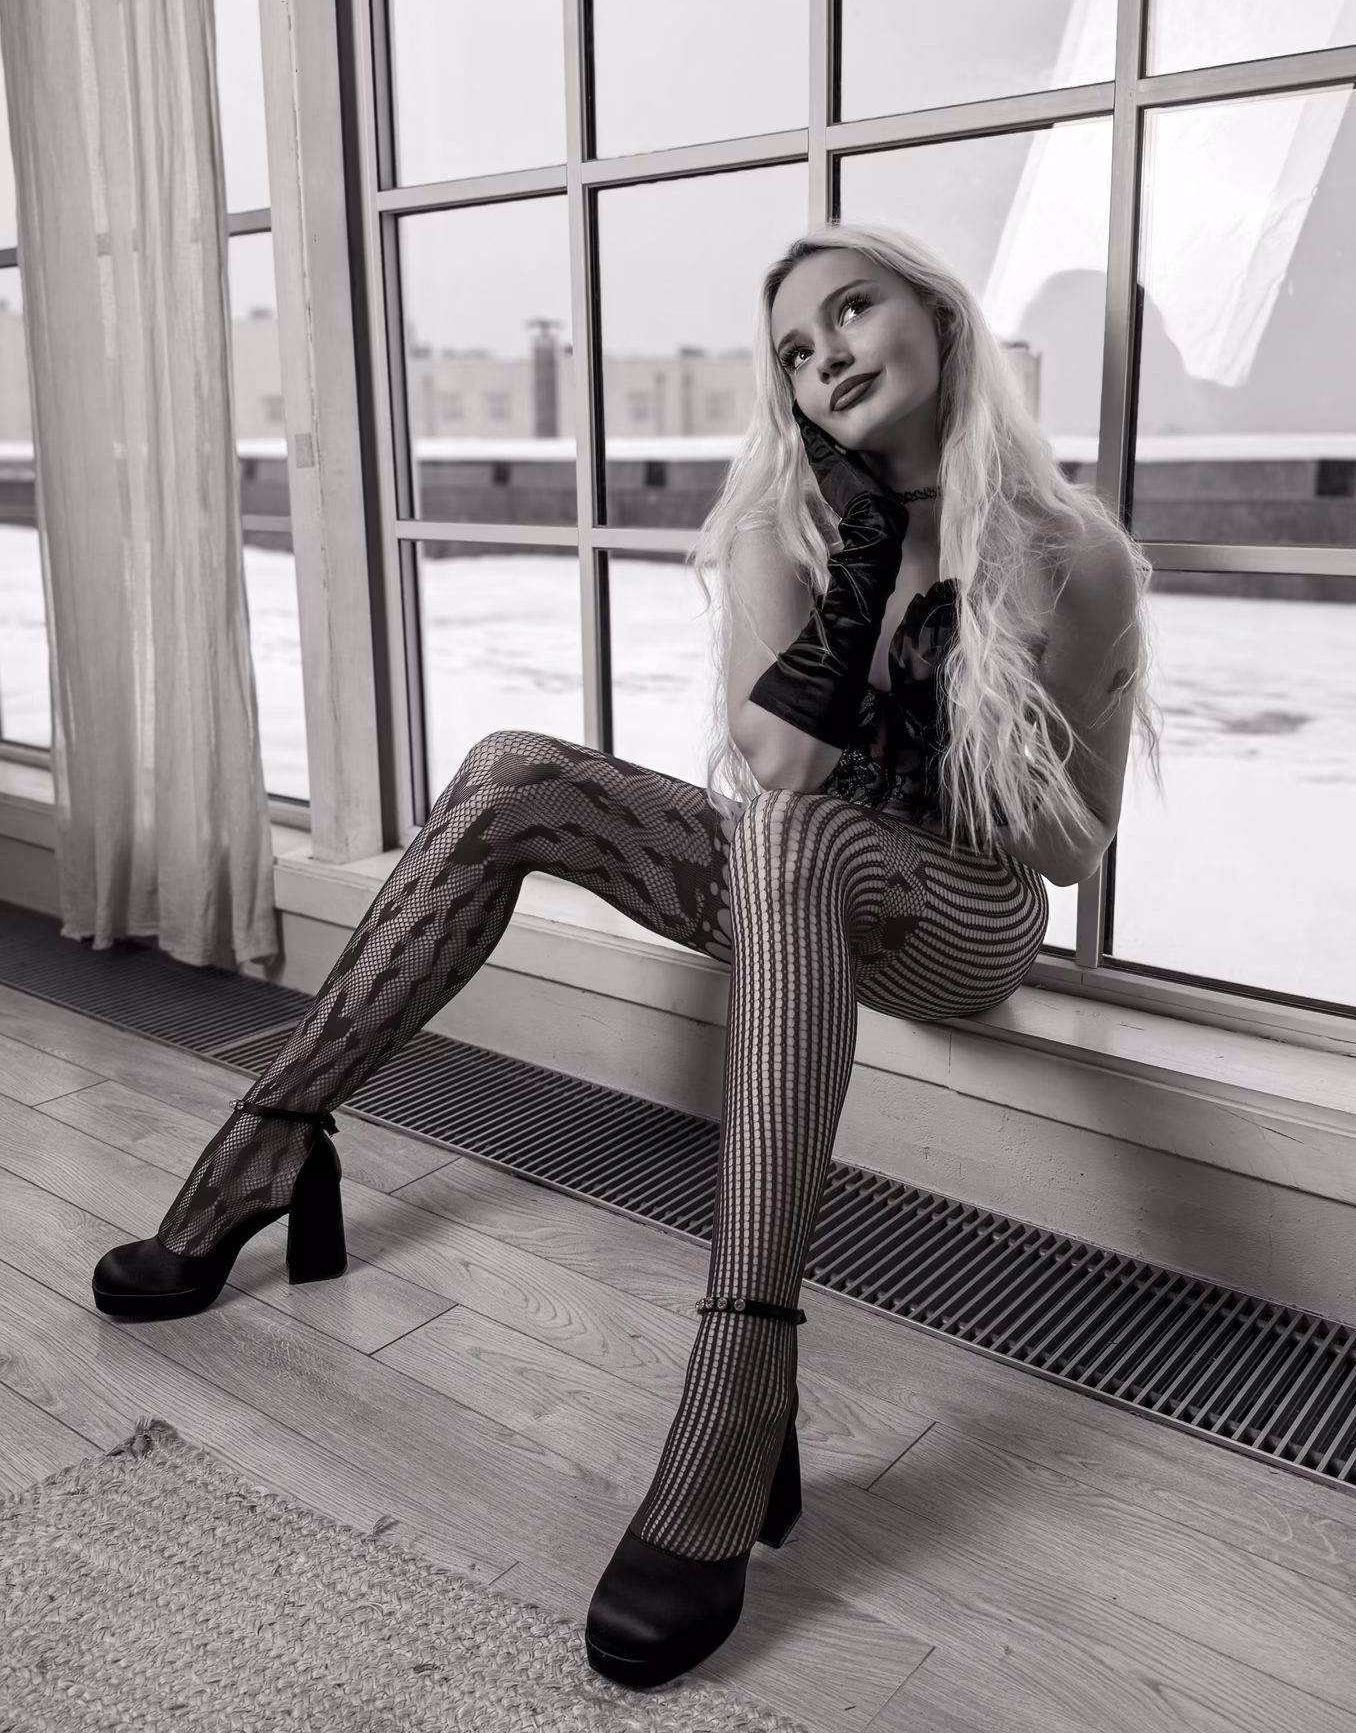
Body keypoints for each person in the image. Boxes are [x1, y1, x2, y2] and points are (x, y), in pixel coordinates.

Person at [91, 220, 1162, 1691]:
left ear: (940, 315)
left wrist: (994, 672)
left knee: (796, 837)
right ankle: (273, 1138)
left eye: (854, 311)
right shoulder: (789, 523)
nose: (828, 356)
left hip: (960, 912)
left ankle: (741, 1378)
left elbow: (1071, 850)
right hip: (797, 866)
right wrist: (864, 566)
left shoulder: (1075, 552)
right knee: (513, 771)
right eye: (796, 350)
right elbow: (777, 765)